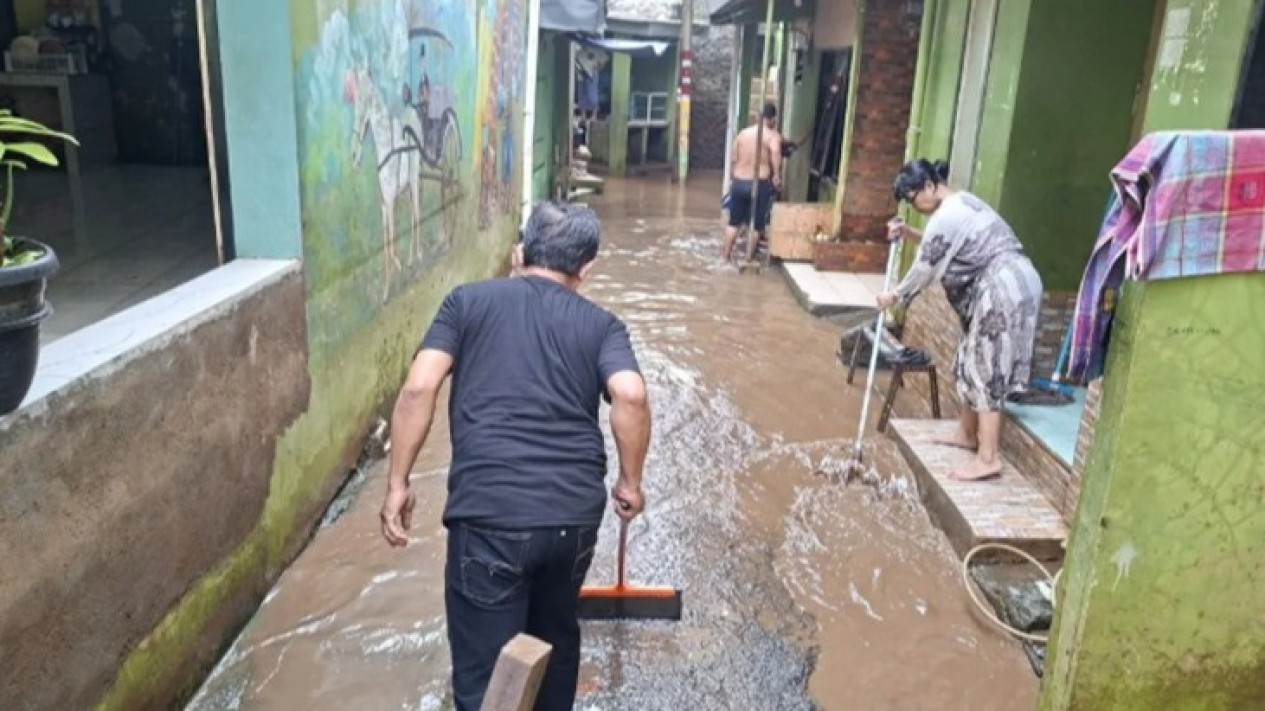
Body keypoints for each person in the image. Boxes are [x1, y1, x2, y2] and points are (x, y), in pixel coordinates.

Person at [379, 201, 653, 710]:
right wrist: (630, 483)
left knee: (487, 676)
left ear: (520, 251)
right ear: (586, 268)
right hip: (571, 522)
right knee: (554, 638)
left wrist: (398, 482)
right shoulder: (602, 326)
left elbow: (419, 389)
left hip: (489, 520)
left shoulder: (465, 303)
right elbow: (631, 396)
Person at [878, 159, 1043, 481]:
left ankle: (988, 457)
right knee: (970, 356)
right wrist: (909, 232)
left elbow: (926, 267)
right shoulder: (960, 203)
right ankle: (966, 434)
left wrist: (894, 296)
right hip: (1007, 284)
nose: (916, 206)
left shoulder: (948, 213)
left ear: (929, 185)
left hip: (1003, 287)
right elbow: (942, 245)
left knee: (987, 367)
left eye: (914, 199)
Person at [723, 103, 783, 264]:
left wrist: (733, 179)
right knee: (756, 226)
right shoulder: (772, 136)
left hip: (738, 182)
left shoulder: (742, 134)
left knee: (733, 223)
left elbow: (734, 158)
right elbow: (775, 154)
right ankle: (748, 259)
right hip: (759, 183)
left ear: (758, 117)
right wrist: (776, 175)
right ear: (772, 119)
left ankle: (726, 258)